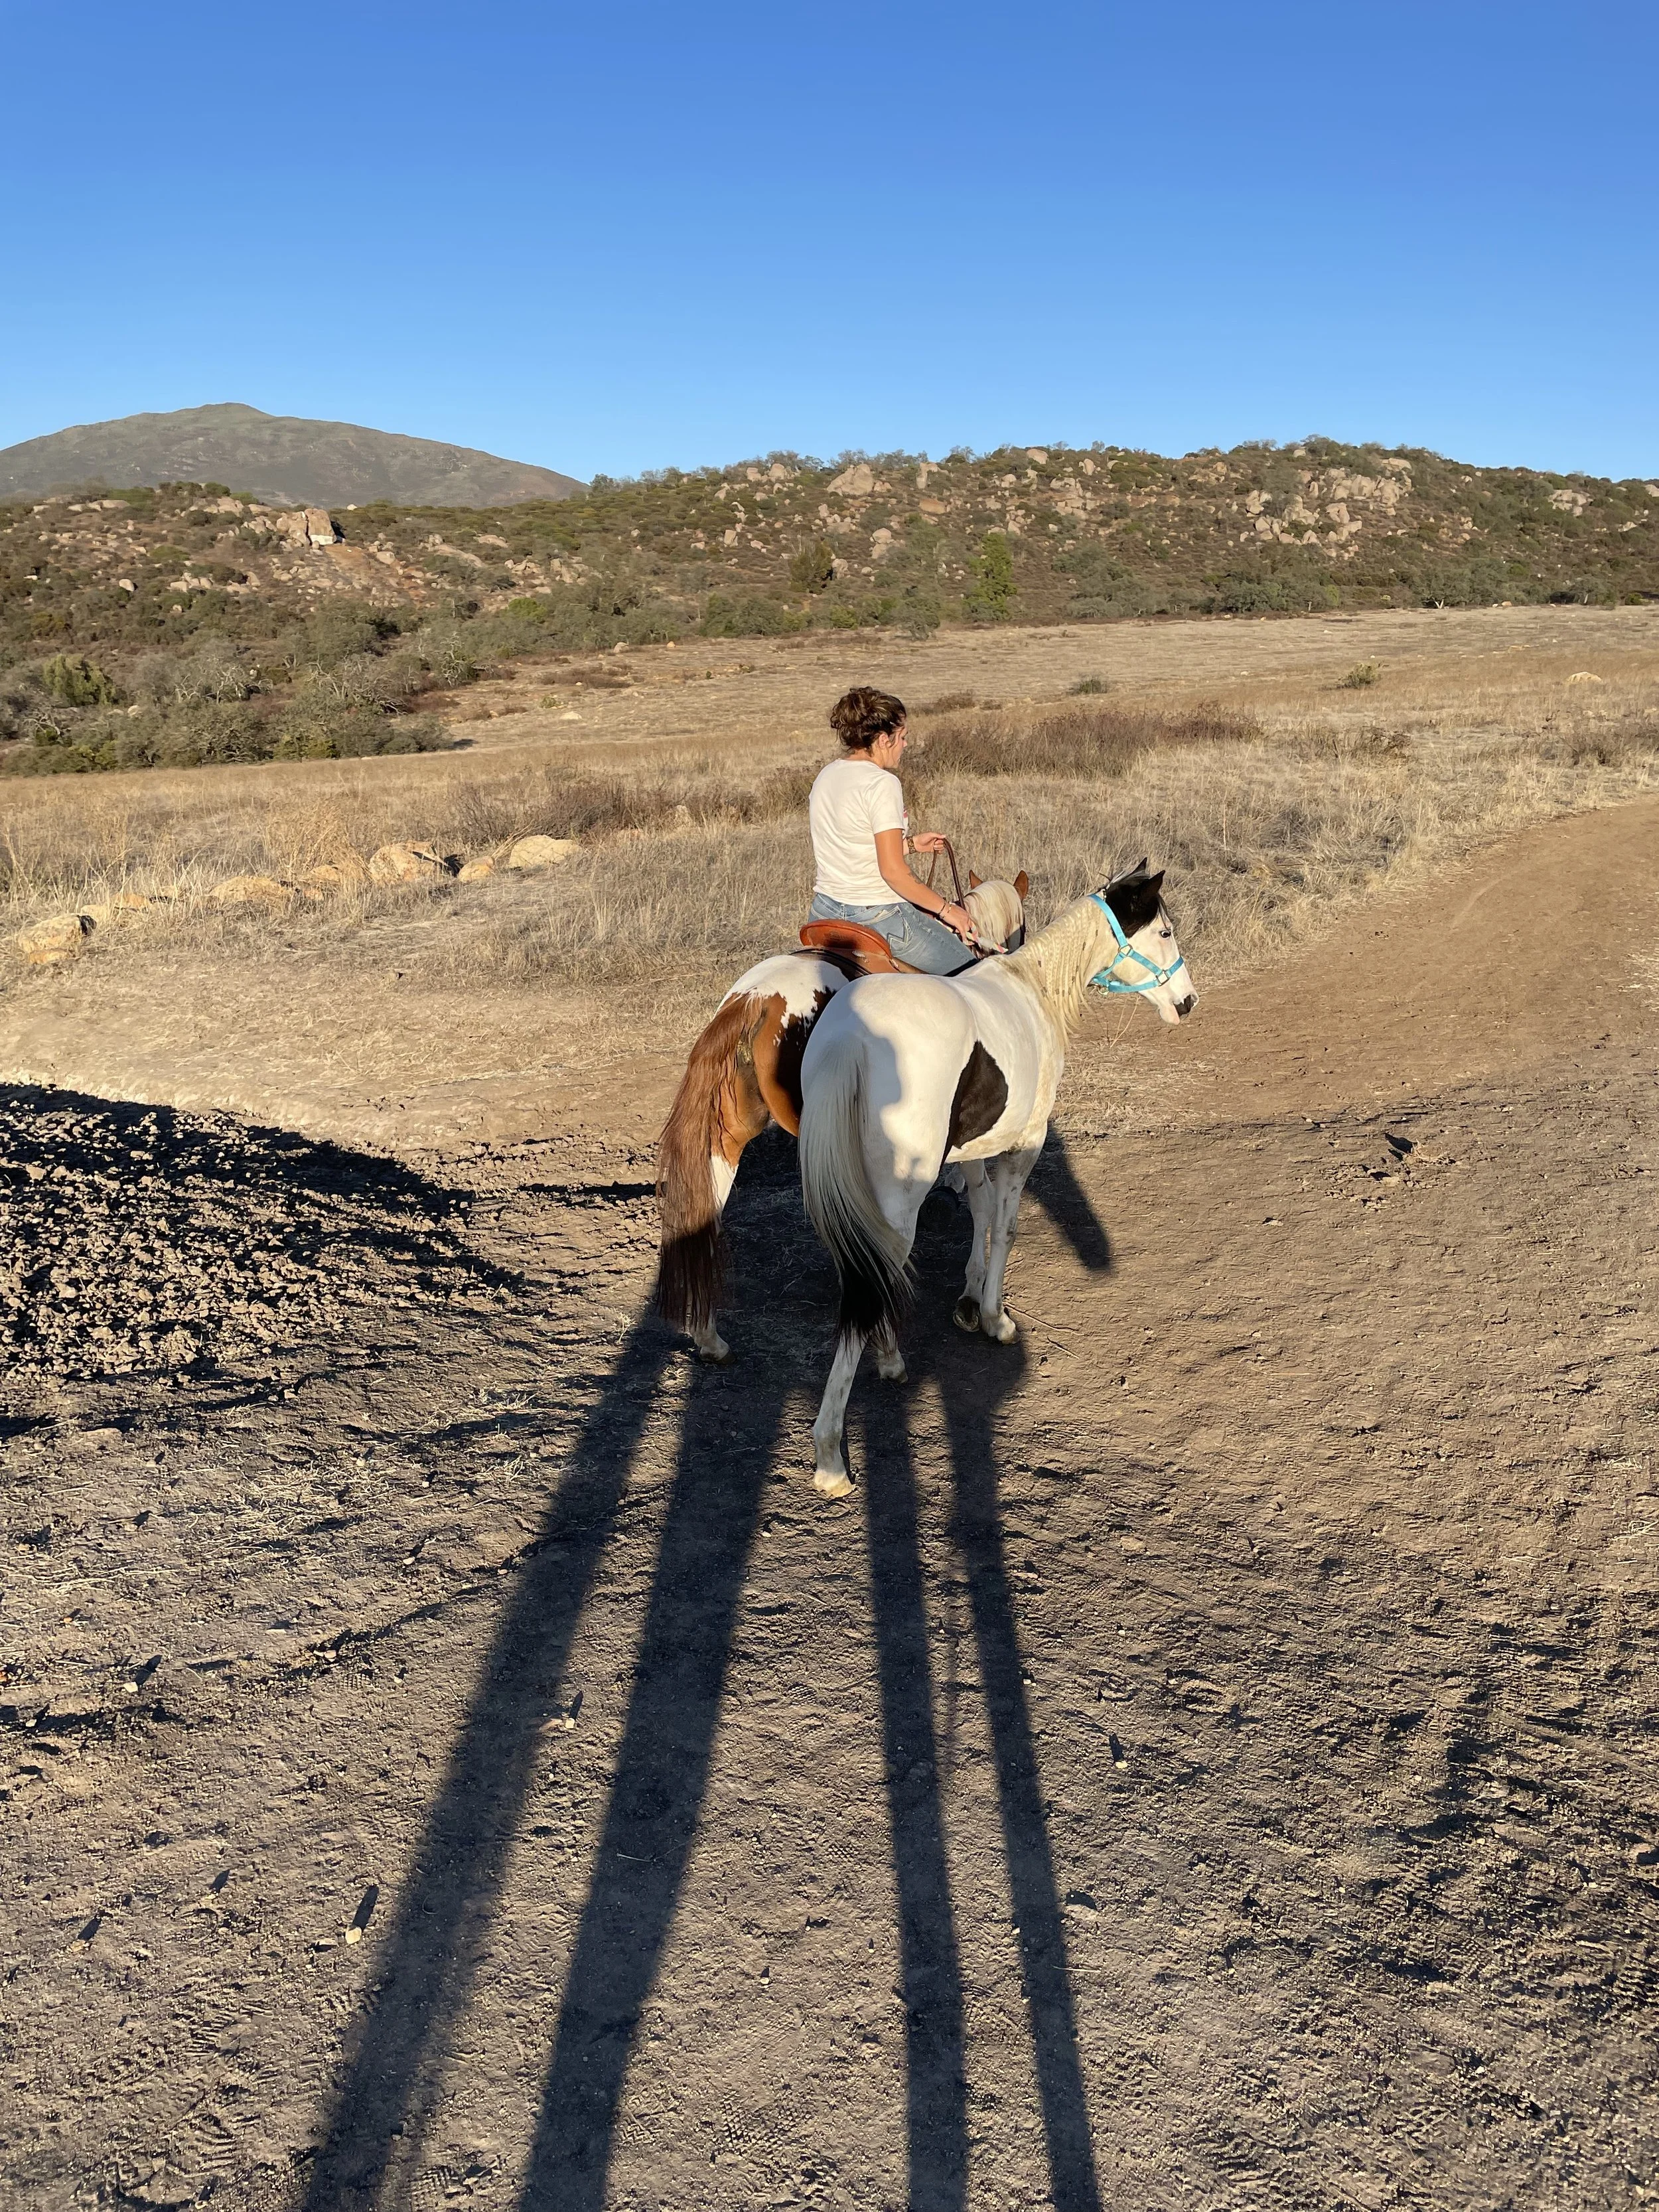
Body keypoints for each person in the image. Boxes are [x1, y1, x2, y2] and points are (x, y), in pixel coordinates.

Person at [806, 686, 976, 975]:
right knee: (974, 976)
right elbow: (893, 872)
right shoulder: (882, 783)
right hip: (878, 916)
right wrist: (948, 910)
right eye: (903, 736)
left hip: (825, 909)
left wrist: (910, 845)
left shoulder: (828, 774)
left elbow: (851, 841)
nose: (906, 744)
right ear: (884, 739)